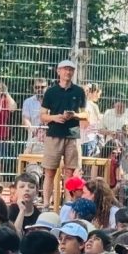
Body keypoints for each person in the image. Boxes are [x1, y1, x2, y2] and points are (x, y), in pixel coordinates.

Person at [40, 59, 87, 210]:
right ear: (58, 71)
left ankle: (68, 204)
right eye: (65, 69)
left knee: (70, 172)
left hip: (72, 135)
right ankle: (46, 204)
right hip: (54, 134)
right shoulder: (50, 92)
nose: (68, 72)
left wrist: (74, 115)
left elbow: (85, 114)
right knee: (49, 171)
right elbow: (43, 115)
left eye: (71, 69)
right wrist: (55, 117)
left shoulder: (79, 91)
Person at [21, 78, 48, 155]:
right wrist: (34, 131)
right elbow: (25, 120)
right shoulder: (28, 102)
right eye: (37, 87)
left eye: (42, 87)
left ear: (47, 87)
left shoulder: (53, 101)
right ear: (33, 88)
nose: (39, 89)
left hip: (50, 140)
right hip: (33, 141)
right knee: (31, 161)